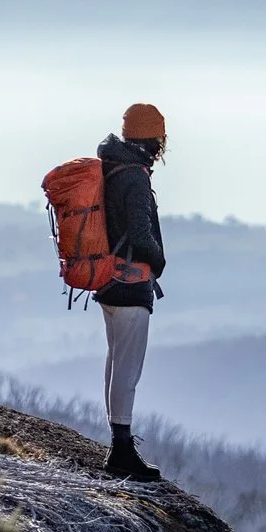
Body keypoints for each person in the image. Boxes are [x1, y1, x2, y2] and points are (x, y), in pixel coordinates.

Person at [97, 102, 169, 481]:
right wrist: (159, 261)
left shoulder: (111, 165)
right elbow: (141, 235)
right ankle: (121, 450)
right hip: (130, 284)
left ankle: (118, 442)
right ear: (151, 141)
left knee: (114, 362)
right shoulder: (136, 177)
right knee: (128, 368)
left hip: (108, 280)